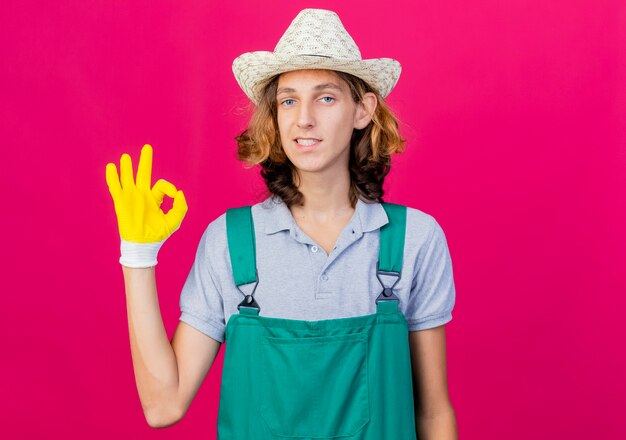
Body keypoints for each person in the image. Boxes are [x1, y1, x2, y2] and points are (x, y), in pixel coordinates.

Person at [106, 8, 458, 439]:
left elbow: (433, 414)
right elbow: (163, 405)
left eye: (325, 97)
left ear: (363, 109)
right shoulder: (231, 243)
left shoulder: (413, 240)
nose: (303, 119)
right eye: (288, 100)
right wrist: (137, 256)